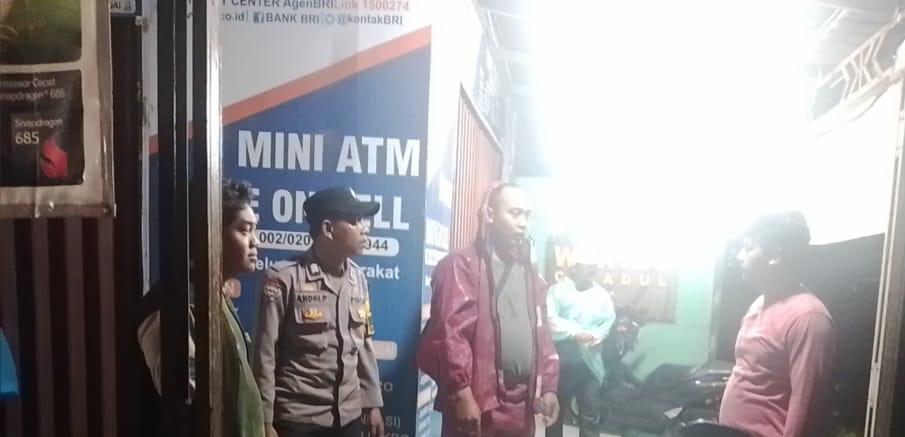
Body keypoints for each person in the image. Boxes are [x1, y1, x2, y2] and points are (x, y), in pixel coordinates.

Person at [417, 183, 560, 437]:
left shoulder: (529, 273)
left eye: (527, 215)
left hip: (522, 406)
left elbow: (542, 332)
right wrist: (461, 393)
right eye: (515, 213)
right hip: (480, 403)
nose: (523, 223)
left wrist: (548, 386)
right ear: (491, 215)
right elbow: (450, 334)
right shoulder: (462, 266)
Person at [137, 178, 265, 437]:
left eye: (254, 230)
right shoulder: (176, 304)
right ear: (211, 233)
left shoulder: (214, 295)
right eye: (244, 230)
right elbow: (188, 406)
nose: (255, 242)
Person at [253, 186, 385, 437]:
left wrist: (372, 403)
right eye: (355, 221)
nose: (365, 228)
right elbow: (264, 355)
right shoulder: (284, 279)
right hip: (299, 421)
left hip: (348, 418)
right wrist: (265, 421)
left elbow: (364, 343)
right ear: (328, 228)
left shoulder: (358, 279)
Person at [719, 211, 836, 437]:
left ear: (775, 256)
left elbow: (805, 407)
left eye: (748, 248)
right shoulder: (758, 303)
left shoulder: (808, 318)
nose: (740, 256)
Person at [545, 248, 615, 437]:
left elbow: (607, 321)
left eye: (595, 267)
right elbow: (550, 320)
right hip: (563, 364)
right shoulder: (558, 291)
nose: (592, 270)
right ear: (575, 267)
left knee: (590, 415)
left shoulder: (602, 295)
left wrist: (598, 336)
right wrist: (575, 333)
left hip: (590, 365)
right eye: (588, 266)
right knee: (555, 413)